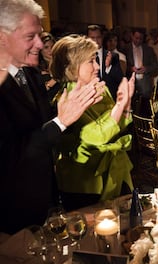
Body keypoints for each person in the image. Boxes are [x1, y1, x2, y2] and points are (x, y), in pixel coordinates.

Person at [0, 0, 102, 234]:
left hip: (45, 200)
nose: (40, 43)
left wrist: (71, 112)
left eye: (39, 35)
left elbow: (43, 131)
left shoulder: (31, 74)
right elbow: (9, 156)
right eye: (30, 37)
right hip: (11, 213)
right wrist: (61, 121)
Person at [50, 35, 135, 211]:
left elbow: (116, 127)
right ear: (73, 66)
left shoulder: (100, 89)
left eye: (96, 60)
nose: (97, 66)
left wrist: (125, 104)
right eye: (91, 61)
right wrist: (120, 103)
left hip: (115, 172)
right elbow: (96, 136)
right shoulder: (65, 99)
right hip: (85, 183)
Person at [124, 27, 158, 115]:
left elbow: (155, 65)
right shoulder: (125, 49)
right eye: (136, 38)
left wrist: (146, 69)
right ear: (132, 36)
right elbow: (121, 66)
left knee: (145, 111)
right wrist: (131, 69)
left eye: (140, 38)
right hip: (130, 83)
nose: (138, 40)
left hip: (145, 85)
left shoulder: (148, 49)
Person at [87, 24, 124, 100]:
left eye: (98, 37)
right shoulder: (83, 57)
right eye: (93, 38)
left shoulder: (113, 56)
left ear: (102, 37)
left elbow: (120, 79)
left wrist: (108, 67)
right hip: (91, 99)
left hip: (109, 99)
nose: (96, 41)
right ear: (87, 39)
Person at [38, 31, 59, 101]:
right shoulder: (36, 68)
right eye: (46, 47)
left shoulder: (61, 63)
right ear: (40, 50)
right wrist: (52, 81)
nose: (51, 50)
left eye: (52, 46)